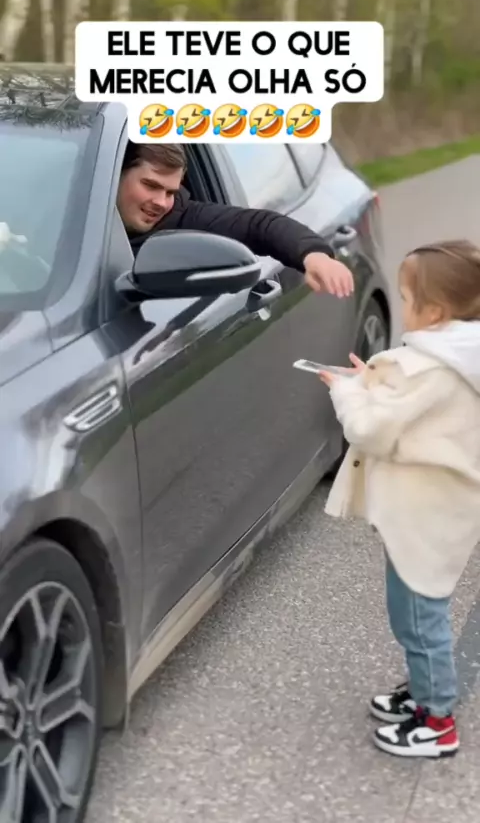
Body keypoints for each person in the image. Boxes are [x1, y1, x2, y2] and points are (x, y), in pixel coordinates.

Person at [318, 240, 480, 759]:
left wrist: (347, 392)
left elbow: (371, 430)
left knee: (418, 614)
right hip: (435, 510)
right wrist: (374, 382)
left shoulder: (434, 370)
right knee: (413, 607)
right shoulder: (457, 357)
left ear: (434, 312)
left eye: (407, 299)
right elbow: (412, 411)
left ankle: (438, 721)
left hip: (424, 515)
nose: (402, 306)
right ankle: (424, 689)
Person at [116, 142, 354, 298]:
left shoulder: (185, 217)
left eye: (170, 192)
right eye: (150, 185)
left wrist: (313, 255)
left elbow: (256, 225)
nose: (161, 202)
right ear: (117, 174)